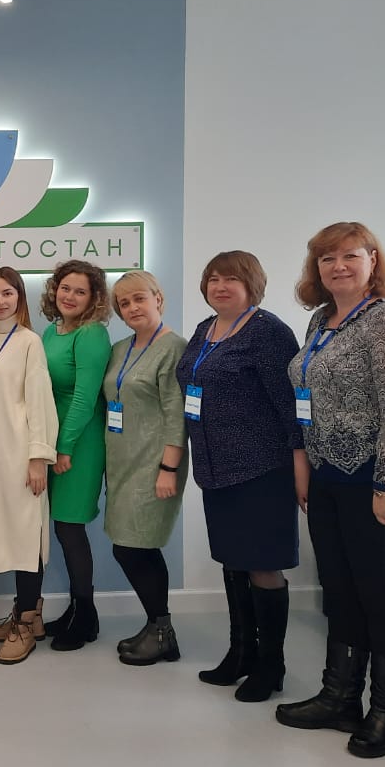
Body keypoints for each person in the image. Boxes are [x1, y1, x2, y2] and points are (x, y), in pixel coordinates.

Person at [276, 222, 385, 759]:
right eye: (326, 259)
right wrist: (304, 466)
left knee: (382, 601)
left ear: (372, 261)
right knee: (339, 593)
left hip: (379, 484)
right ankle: (339, 698)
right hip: (328, 481)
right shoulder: (321, 321)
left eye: (349, 256)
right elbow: (305, 403)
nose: (337, 266)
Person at [175, 251, 301, 702]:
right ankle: (241, 653)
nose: (220, 286)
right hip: (215, 469)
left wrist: (300, 465)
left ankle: (271, 665)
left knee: (263, 564)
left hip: (262, 469)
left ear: (252, 285)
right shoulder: (205, 330)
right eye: (213, 279)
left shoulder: (268, 332)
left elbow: (291, 406)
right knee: (233, 560)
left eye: (231, 278)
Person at [103, 270, 189, 666]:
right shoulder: (120, 349)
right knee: (132, 545)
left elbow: (177, 412)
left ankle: (162, 630)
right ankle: (156, 626)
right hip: (123, 460)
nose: (132, 307)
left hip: (155, 461)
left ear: (158, 298)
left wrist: (169, 467)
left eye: (139, 298)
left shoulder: (174, 348)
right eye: (124, 303)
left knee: (134, 547)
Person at [0, 268, 59, 665]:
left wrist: (38, 457)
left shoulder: (29, 342)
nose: (0, 301)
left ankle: (26, 623)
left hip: (21, 453)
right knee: (5, 530)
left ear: (20, 298)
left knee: (26, 533)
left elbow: (40, 402)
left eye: (7, 293)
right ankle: (27, 613)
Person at [38, 260, 111, 651]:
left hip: (78, 442)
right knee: (62, 528)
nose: (69, 296)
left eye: (80, 291)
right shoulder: (53, 330)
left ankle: (85, 617)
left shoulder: (92, 334)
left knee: (70, 527)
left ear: (93, 298)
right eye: (65, 288)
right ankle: (77, 611)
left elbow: (84, 398)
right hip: (53, 440)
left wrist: (63, 447)